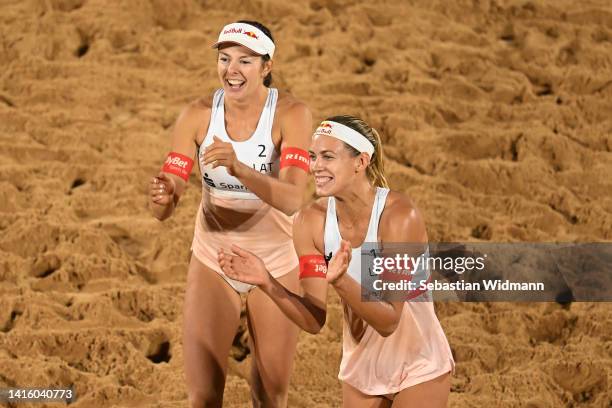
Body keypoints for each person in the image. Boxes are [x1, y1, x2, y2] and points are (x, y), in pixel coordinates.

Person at [218, 115, 455, 407]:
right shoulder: (309, 223)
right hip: (361, 366)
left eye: (328, 157)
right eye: (313, 157)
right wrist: (267, 282)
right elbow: (315, 319)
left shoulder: (399, 216)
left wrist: (341, 281)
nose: (315, 166)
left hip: (419, 361)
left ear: (361, 162)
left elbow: (389, 321)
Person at [148, 20, 312, 408]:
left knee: (270, 396)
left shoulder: (291, 114)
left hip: (273, 261)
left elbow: (292, 199)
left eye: (245, 61)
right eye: (225, 59)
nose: (232, 70)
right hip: (214, 259)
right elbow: (163, 210)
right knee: (203, 397)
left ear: (266, 67)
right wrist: (163, 194)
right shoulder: (197, 115)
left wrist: (239, 168)